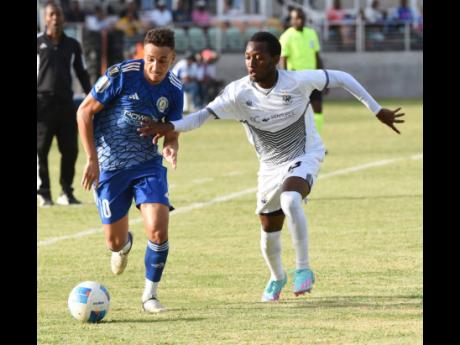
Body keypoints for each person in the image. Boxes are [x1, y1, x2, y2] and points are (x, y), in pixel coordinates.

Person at [138, 32, 405, 302]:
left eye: (259, 57)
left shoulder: (297, 82)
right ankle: (277, 276)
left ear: (275, 60)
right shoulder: (238, 93)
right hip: (269, 167)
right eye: (247, 57)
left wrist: (376, 110)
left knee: (290, 200)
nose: (251, 63)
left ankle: (303, 268)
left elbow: (343, 78)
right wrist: (169, 127)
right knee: (268, 229)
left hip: (305, 153)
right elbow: (200, 117)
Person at [76, 28, 183, 313]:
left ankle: (150, 296)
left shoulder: (174, 88)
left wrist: (171, 144)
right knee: (113, 241)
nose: (155, 67)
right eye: (150, 59)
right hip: (109, 167)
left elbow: (172, 127)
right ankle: (123, 246)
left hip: (147, 164)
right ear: (141, 53)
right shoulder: (120, 75)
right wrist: (92, 159)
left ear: (172, 58)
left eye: (163, 61)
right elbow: (84, 112)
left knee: (158, 229)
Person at [37, 2, 91, 207]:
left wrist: (92, 97)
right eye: (51, 15)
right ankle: (44, 193)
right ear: (45, 18)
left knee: (70, 150)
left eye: (58, 15)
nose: (55, 19)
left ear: (64, 19)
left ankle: (66, 192)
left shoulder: (73, 45)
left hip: (66, 105)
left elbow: (82, 73)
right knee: (40, 150)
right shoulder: (38, 43)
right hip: (42, 105)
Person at [279, 8, 326, 139]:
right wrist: (284, 81)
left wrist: (324, 79)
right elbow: (283, 60)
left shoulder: (312, 33)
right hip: (296, 80)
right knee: (295, 112)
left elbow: (317, 56)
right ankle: (296, 142)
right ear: (291, 20)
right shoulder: (286, 36)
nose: (300, 20)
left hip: (313, 78)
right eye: (297, 18)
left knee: (318, 109)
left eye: (302, 17)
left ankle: (317, 141)